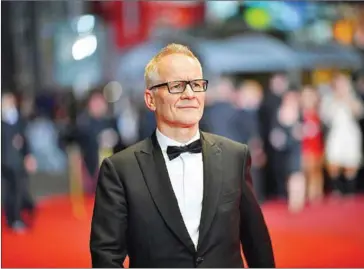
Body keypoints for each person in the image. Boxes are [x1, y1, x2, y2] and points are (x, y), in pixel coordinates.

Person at [90, 44, 275, 268]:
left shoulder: (234, 156)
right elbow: (106, 256)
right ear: (150, 99)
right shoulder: (120, 169)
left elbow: (257, 244)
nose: (190, 94)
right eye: (177, 86)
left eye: (197, 84)